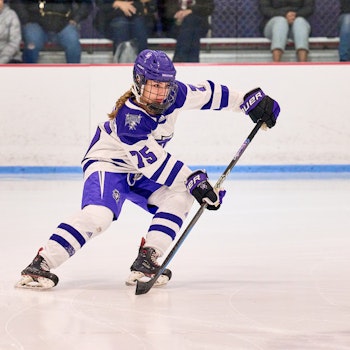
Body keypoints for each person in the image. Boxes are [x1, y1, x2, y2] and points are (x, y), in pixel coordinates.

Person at [15, 49, 280, 290]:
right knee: (99, 216)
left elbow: (210, 94)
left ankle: (147, 259)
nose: (161, 93)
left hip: (142, 171)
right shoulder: (130, 119)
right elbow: (155, 164)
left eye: (165, 85)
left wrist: (247, 101)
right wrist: (194, 181)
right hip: (110, 164)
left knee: (181, 195)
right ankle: (40, 265)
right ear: (139, 83)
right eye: (154, 86)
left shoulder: (175, 93)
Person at [11, 0, 92, 63]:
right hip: (35, 23)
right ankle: (27, 75)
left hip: (63, 24)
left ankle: (75, 76)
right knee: (32, 43)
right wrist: (25, 19)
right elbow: (17, 2)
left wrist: (76, 19)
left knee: (73, 42)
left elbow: (86, 3)